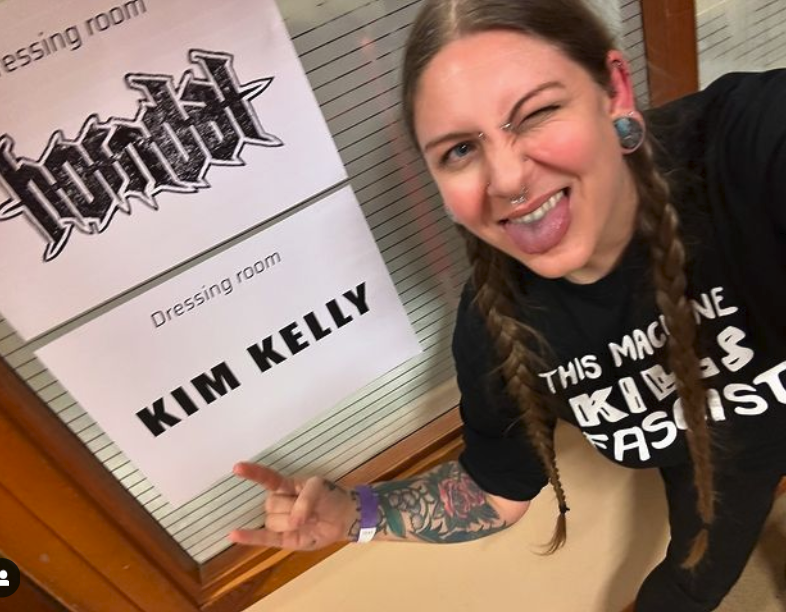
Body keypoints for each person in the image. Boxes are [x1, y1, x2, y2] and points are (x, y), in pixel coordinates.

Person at [229, 0, 786, 609]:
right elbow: (496, 490)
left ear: (615, 92)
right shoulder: (499, 326)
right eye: (459, 151)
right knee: (685, 587)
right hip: (723, 460)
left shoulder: (746, 148)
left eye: (538, 112)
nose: (508, 178)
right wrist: (353, 514)